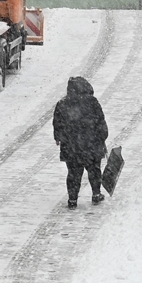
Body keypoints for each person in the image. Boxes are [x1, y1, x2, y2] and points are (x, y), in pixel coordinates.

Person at [53, 76, 108, 209]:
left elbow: (57, 124)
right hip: (92, 144)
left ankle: (72, 199)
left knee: (73, 173)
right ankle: (96, 193)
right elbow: (100, 121)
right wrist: (103, 137)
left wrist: (59, 138)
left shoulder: (62, 104)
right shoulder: (92, 102)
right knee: (94, 170)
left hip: (71, 146)